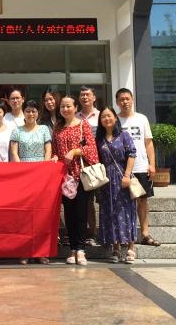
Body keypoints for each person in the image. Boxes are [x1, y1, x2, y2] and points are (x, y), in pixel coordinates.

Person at [53, 95, 98, 266]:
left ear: (75, 108)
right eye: (62, 107)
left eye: (68, 106)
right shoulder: (57, 128)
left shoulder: (82, 124)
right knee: (69, 214)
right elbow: (55, 150)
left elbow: (91, 148)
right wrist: (54, 156)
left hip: (80, 175)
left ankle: (81, 249)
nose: (65, 109)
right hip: (64, 178)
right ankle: (72, 249)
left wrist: (75, 151)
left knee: (81, 213)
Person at [115, 87, 162, 247]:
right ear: (117, 102)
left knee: (142, 201)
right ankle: (125, 235)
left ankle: (145, 233)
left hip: (141, 167)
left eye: (127, 98)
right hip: (121, 169)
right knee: (122, 203)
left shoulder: (142, 119)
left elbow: (148, 143)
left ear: (132, 100)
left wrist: (152, 164)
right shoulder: (115, 120)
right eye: (121, 99)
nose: (125, 102)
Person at [9, 99, 53, 265]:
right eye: (27, 111)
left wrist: (43, 169)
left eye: (33, 111)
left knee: (41, 215)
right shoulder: (17, 131)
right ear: (24, 113)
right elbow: (14, 153)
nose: (30, 114)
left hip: (41, 175)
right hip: (23, 176)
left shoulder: (44, 130)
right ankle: (24, 251)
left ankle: (41, 252)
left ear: (38, 113)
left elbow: (48, 150)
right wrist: (23, 172)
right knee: (24, 215)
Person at [96, 107, 138, 263]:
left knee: (126, 211)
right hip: (106, 181)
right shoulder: (99, 139)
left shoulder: (124, 135)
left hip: (122, 177)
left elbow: (132, 154)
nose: (106, 119)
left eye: (109, 116)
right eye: (103, 116)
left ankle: (131, 247)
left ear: (115, 118)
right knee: (110, 212)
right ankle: (116, 248)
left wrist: (127, 175)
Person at [77, 86, 101, 244]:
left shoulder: (101, 115)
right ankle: (91, 232)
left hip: (100, 162)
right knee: (87, 200)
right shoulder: (76, 116)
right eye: (82, 95)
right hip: (82, 163)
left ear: (94, 97)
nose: (85, 97)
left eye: (87, 94)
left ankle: (103, 232)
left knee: (102, 199)